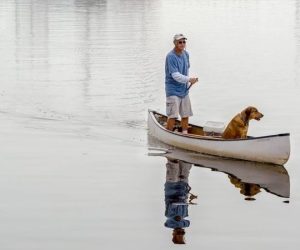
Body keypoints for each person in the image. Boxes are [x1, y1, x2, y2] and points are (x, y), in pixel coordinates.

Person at [165, 34, 198, 134]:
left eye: (184, 42)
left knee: (185, 114)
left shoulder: (186, 54)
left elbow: (186, 69)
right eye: (180, 42)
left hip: (184, 90)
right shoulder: (170, 56)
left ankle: (185, 133)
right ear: (175, 43)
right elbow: (175, 75)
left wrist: (189, 80)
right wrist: (189, 79)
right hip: (173, 90)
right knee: (173, 115)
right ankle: (169, 133)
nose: (182, 44)